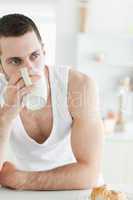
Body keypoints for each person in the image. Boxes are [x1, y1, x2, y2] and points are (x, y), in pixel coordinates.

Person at [0, 14, 104, 191]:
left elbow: (90, 173)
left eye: (34, 56)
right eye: (15, 61)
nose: (29, 69)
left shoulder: (78, 86)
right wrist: (7, 116)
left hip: (79, 192)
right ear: (1, 66)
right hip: (27, 195)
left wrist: (20, 180)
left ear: (44, 52)